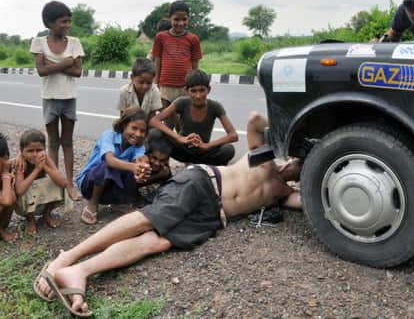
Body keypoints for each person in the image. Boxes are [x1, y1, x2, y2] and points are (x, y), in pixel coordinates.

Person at [33, 112, 301, 316]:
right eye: (298, 161)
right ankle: (67, 257)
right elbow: (255, 119)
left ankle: (80, 271)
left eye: (302, 169)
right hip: (203, 183)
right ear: (289, 157)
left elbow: (315, 205)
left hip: (212, 215)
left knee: (157, 242)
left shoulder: (283, 192)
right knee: (147, 218)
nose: (295, 168)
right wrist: (290, 134)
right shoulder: (264, 158)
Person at [75, 108, 169, 225]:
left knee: (132, 169)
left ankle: (119, 202)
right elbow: (110, 160)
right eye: (134, 128)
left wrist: (142, 167)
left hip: (110, 188)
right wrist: (133, 167)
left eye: (142, 131)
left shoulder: (138, 146)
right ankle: (92, 204)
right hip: (89, 185)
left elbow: (140, 159)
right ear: (124, 125)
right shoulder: (109, 135)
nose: (138, 134)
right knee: (108, 166)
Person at [31, 1, 85, 201]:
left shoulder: (74, 42)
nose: (67, 25)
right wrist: (66, 62)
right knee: (52, 143)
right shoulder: (39, 42)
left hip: (69, 98)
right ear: (49, 22)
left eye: (69, 21)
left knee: (68, 143)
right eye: (63, 21)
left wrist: (53, 64)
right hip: (50, 98)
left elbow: (78, 72)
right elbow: (41, 71)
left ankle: (70, 185)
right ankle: (55, 184)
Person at [150, 69, 238, 166]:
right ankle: (163, 167)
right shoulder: (182, 102)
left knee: (228, 149)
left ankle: (211, 171)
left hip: (203, 152)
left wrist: (207, 145)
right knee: (154, 134)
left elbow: (233, 135)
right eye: (193, 91)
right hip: (182, 150)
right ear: (186, 91)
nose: (198, 96)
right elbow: (154, 121)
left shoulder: (215, 106)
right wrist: (179, 138)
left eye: (202, 90)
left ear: (208, 89)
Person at [151, 0, 203, 129]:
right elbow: (158, 61)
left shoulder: (193, 39)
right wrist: (156, 83)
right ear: (170, 18)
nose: (180, 23)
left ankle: (182, 146)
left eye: (184, 19)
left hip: (185, 86)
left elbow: (195, 63)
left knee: (183, 122)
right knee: (168, 121)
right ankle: (169, 147)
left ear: (188, 19)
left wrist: (195, 84)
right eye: (176, 19)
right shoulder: (161, 37)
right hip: (165, 86)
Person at [11, 129, 67, 235]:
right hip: (25, 201)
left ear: (44, 149)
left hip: (40, 198)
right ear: (22, 151)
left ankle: (46, 215)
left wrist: (44, 166)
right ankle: (30, 219)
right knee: (25, 189)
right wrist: (37, 169)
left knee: (57, 183)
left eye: (39, 150)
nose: (35, 154)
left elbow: (63, 183)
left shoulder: (45, 159)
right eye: (30, 151)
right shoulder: (21, 163)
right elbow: (19, 190)